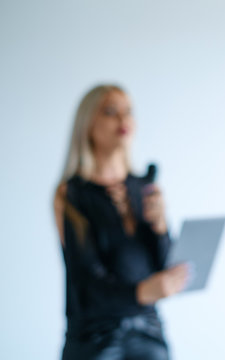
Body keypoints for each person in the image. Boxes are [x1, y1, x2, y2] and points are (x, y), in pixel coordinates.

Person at [54, 85, 190, 360]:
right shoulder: (72, 194)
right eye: (110, 112)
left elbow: (164, 264)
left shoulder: (144, 187)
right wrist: (142, 292)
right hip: (95, 337)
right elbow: (86, 284)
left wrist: (160, 225)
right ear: (88, 124)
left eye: (128, 112)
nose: (123, 120)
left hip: (148, 331)